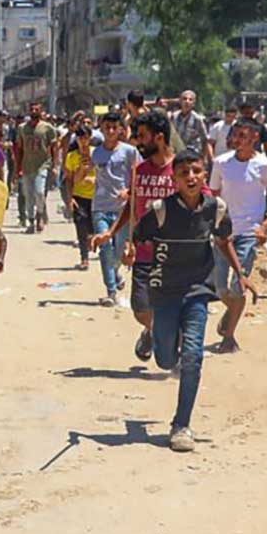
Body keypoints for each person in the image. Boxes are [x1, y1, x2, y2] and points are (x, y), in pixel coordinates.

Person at [131, 150, 255, 453]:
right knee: (165, 361)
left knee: (193, 357)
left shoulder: (216, 208)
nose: (191, 177)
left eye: (196, 171)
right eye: (184, 172)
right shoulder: (161, 209)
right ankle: (153, 333)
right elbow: (139, 236)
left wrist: (241, 274)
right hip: (165, 291)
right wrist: (130, 253)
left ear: (204, 175)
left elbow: (223, 241)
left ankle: (181, 424)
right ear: (174, 178)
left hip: (198, 289)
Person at [91, 110, 178, 361]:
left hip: (175, 255)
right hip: (144, 251)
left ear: (159, 137)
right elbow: (132, 205)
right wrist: (112, 233)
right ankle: (150, 330)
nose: (137, 142)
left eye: (141, 136)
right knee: (141, 308)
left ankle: (176, 353)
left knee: (175, 308)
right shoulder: (140, 170)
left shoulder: (182, 169)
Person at [209, 120, 267, 352]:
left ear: (254, 138)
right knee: (219, 287)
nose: (238, 139)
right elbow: (213, 196)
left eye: (244, 135)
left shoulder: (265, 166)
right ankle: (231, 312)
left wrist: (265, 226)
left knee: (238, 285)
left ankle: (229, 336)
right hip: (223, 233)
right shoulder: (221, 163)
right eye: (236, 135)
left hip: (248, 234)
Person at [86, 112, 138, 307]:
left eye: (113, 127)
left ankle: (115, 272)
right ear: (101, 129)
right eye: (106, 127)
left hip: (122, 210)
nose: (110, 131)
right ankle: (111, 291)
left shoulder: (129, 151)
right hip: (100, 206)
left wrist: (129, 192)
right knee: (104, 248)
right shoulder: (96, 153)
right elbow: (92, 173)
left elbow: (136, 174)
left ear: (120, 130)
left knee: (118, 252)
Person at [13, 103, 56, 234]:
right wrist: (17, 168)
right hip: (27, 166)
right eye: (31, 109)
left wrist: (55, 165)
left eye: (36, 109)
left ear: (41, 111)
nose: (34, 111)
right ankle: (31, 221)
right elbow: (19, 149)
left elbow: (54, 147)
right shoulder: (22, 128)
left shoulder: (47, 128)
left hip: (42, 165)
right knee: (28, 195)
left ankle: (40, 214)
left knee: (40, 192)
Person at [67, 128, 96, 270]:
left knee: (93, 228)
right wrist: (69, 198)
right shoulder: (71, 156)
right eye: (80, 138)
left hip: (97, 197)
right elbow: (70, 180)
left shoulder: (97, 153)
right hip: (79, 197)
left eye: (86, 137)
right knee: (80, 226)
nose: (83, 141)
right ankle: (84, 258)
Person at [172, 89, 212, 162]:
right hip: (177, 154)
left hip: (192, 154)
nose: (187, 102)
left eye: (190, 100)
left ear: (193, 104)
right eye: (184, 99)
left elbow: (205, 140)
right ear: (180, 102)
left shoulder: (198, 119)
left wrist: (204, 158)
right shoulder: (174, 117)